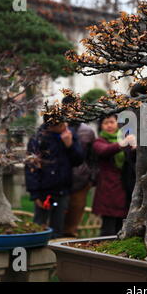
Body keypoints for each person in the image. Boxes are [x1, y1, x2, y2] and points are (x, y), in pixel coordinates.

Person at [25, 114, 84, 238]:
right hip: (43, 190)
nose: (65, 126)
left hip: (62, 189)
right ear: (51, 126)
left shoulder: (69, 135)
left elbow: (78, 160)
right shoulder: (38, 139)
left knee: (57, 226)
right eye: (61, 125)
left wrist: (70, 145)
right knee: (39, 225)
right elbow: (31, 168)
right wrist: (35, 193)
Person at [92, 114, 136, 236]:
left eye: (112, 122)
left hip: (124, 189)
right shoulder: (99, 141)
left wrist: (134, 149)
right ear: (101, 126)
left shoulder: (125, 140)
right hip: (107, 191)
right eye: (106, 123)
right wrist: (123, 143)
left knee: (121, 228)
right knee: (108, 229)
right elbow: (104, 150)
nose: (109, 125)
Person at [62, 97, 97, 237]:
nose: (72, 111)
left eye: (76, 107)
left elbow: (93, 157)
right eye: (69, 107)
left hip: (81, 179)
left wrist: (92, 177)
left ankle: (70, 238)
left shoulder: (87, 131)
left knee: (74, 217)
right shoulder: (57, 128)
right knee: (57, 214)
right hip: (59, 179)